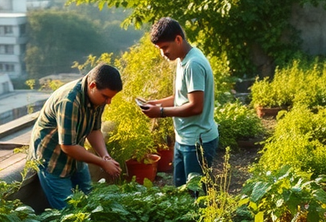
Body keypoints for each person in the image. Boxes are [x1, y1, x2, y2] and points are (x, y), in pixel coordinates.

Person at [29, 63, 124, 209]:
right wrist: (102, 163)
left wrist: (106, 156)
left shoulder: (98, 96)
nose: (108, 102)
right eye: (106, 97)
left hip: (76, 156)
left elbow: (94, 129)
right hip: (52, 158)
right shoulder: (70, 101)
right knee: (68, 212)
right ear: (92, 85)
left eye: (110, 98)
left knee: (89, 201)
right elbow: (67, 146)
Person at [141, 17, 218, 187]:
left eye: (165, 47)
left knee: (196, 195)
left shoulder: (193, 64)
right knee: (180, 192)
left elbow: (196, 106)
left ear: (178, 39)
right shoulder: (182, 59)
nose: (163, 53)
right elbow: (181, 97)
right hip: (184, 139)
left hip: (198, 141)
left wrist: (160, 113)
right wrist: (156, 104)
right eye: (159, 49)